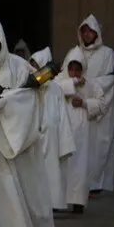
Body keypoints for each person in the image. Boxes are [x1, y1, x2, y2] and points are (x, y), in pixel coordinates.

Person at [0, 18, 55, 227]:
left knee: (15, 185)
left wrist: (3, 103)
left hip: (11, 134)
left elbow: (29, 94)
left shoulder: (17, 65)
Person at [55, 47, 105, 213]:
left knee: (80, 166)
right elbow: (55, 92)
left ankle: (78, 201)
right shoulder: (59, 81)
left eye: (78, 69)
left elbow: (102, 104)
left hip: (83, 132)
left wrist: (84, 103)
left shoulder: (91, 84)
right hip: (63, 129)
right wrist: (74, 83)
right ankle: (58, 200)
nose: (74, 72)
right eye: (71, 68)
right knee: (61, 165)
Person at [28, 47, 75, 212]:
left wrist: (65, 141)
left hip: (51, 135)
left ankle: (53, 202)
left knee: (52, 169)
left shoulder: (55, 89)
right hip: (34, 134)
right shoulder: (28, 87)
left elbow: (62, 116)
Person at [76, 15, 114, 196]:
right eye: (84, 31)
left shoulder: (107, 53)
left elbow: (110, 78)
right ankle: (79, 184)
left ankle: (95, 184)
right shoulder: (76, 52)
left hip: (100, 108)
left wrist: (88, 86)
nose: (87, 34)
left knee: (99, 146)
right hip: (79, 107)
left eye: (90, 31)